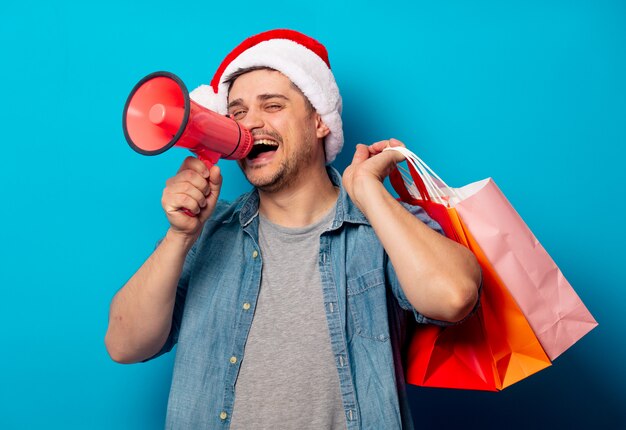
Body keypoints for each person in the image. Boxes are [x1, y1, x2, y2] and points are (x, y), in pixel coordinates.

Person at [105, 29, 481, 429]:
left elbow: (453, 296)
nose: (251, 125)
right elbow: (123, 345)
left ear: (320, 121)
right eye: (237, 112)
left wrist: (369, 194)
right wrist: (180, 236)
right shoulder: (206, 232)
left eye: (272, 105)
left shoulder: (381, 225)